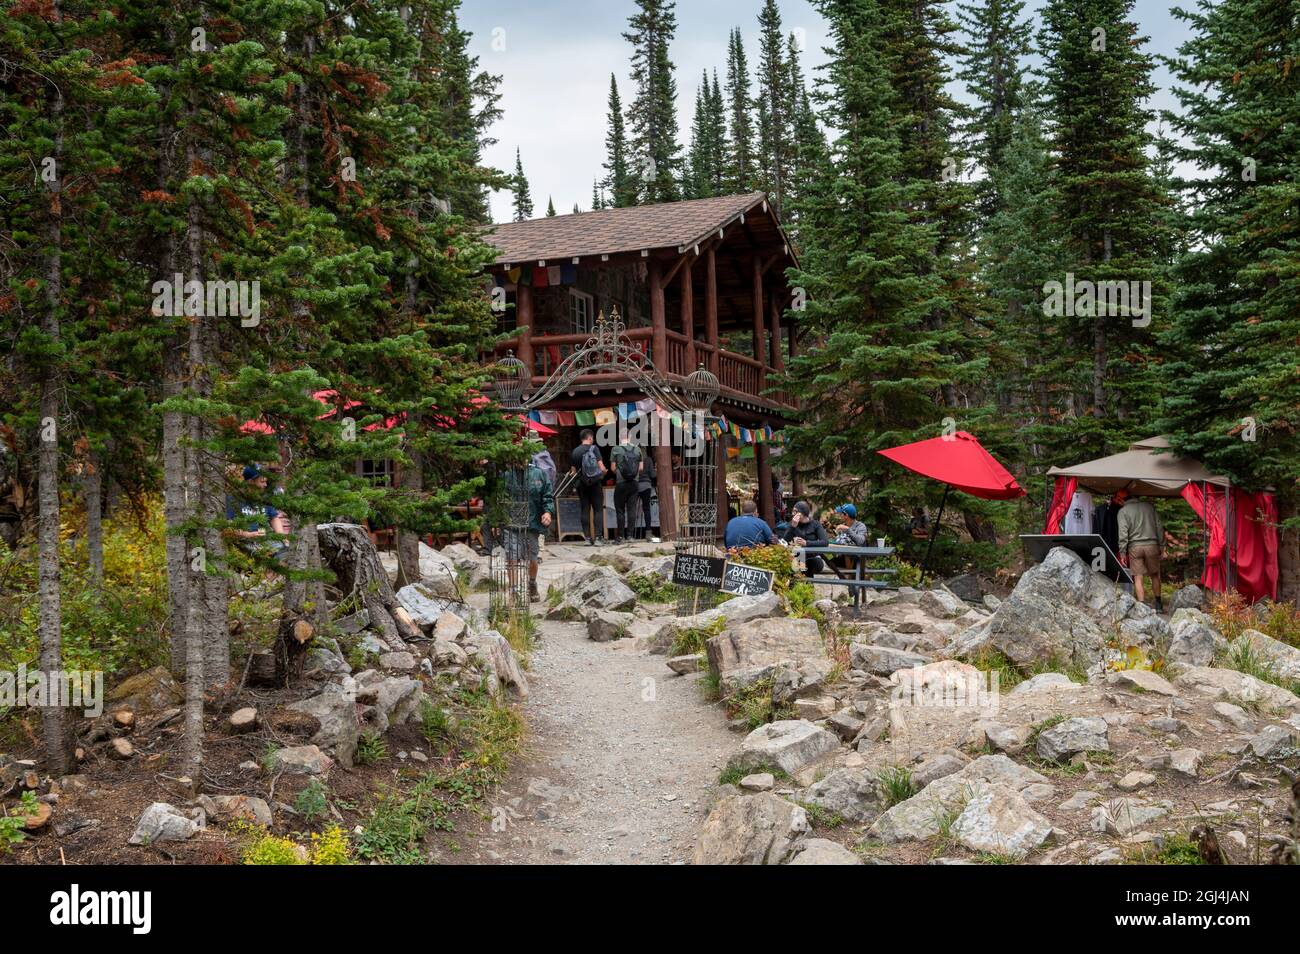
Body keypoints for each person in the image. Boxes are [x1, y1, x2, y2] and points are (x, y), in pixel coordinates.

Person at [504, 458, 555, 602]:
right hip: (511, 523)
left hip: (532, 524)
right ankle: (514, 591)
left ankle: (532, 583)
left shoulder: (539, 474)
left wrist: (548, 512)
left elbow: (547, 496)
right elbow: (499, 498)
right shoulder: (506, 476)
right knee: (511, 557)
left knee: (532, 559)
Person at [226, 464, 290, 559]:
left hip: (263, 539)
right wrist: (247, 534)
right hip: (243, 542)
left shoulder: (265, 498)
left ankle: (274, 570)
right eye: (262, 482)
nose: (265, 485)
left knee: (288, 548)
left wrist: (281, 536)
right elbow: (229, 526)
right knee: (264, 555)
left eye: (266, 481)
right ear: (251, 481)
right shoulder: (233, 500)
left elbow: (274, 518)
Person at [1117, 490, 1165, 611]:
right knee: (1154, 575)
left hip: (1135, 547)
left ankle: (1142, 606)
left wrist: (1122, 552)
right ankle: (1158, 604)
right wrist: (1162, 545)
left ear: (1122, 500)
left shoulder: (1123, 511)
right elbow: (1159, 527)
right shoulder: (1149, 507)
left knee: (1138, 577)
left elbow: (1123, 533)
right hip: (1152, 545)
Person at [569, 429, 607, 545]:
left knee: (584, 510)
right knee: (598, 510)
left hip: (582, 484)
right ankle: (598, 538)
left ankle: (587, 538)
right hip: (595, 484)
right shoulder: (594, 449)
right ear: (590, 438)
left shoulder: (575, 451)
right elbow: (601, 468)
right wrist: (604, 472)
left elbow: (573, 472)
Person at [782, 500, 830, 576]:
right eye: (793, 511)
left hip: (814, 557)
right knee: (799, 563)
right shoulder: (793, 524)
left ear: (802, 513)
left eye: (795, 511)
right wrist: (792, 527)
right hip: (797, 557)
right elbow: (784, 541)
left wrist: (806, 543)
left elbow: (825, 542)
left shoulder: (815, 524)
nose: (792, 514)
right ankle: (806, 586)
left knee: (807, 564)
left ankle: (804, 585)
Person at [610, 433, 643, 543]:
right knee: (632, 509)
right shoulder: (637, 449)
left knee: (620, 510)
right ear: (630, 437)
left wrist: (621, 473)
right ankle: (630, 536)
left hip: (621, 483)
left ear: (620, 437)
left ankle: (620, 536)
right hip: (634, 483)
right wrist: (632, 473)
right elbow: (641, 467)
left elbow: (613, 468)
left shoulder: (616, 449)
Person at [636, 447, 658, 541]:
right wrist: (656, 469)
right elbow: (653, 475)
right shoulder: (648, 459)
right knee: (646, 509)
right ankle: (648, 533)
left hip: (635, 485)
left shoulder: (634, 459)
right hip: (646, 485)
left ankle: (630, 533)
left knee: (632, 509)